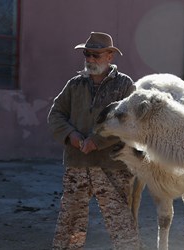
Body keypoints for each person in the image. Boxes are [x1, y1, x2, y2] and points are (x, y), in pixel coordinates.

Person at [48, 32, 140, 250]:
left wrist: (97, 141)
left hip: (113, 166)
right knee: (71, 225)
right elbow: (56, 114)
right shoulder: (75, 85)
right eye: (87, 54)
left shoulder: (125, 86)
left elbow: (130, 123)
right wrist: (71, 135)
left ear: (110, 56)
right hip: (77, 165)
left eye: (96, 55)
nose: (90, 59)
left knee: (121, 225)